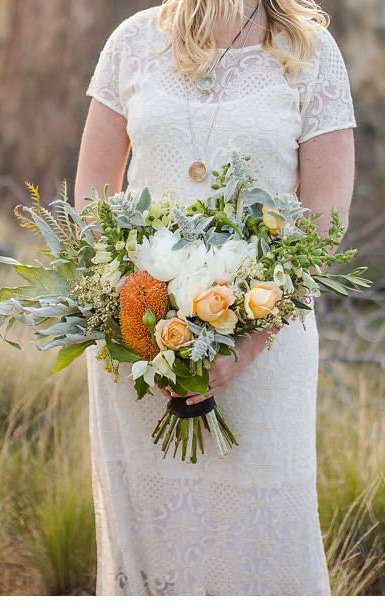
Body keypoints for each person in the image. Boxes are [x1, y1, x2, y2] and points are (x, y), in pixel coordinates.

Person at [76, 0, 355, 595]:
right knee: (152, 547)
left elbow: (325, 224)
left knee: (263, 541)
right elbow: (93, 204)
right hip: (139, 352)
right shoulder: (131, 43)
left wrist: (244, 346)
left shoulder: (310, 53)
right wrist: (134, 321)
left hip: (266, 351)